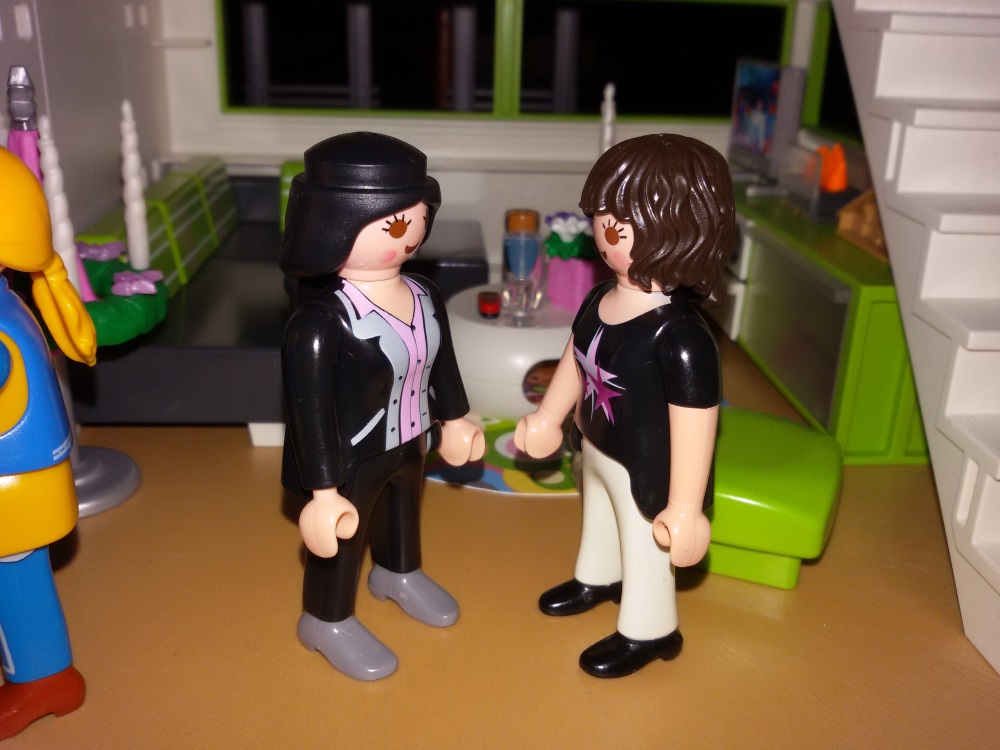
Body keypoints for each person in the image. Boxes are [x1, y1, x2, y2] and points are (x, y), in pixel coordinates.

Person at [515, 134, 734, 678]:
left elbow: (696, 423)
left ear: (680, 233)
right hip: (596, 443)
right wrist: (549, 416)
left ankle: (650, 628)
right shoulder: (600, 298)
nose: (605, 235)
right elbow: (577, 358)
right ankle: (598, 577)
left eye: (621, 226)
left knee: (644, 545)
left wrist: (686, 507)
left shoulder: (682, 337)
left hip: (648, 469)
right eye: (602, 219)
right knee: (598, 520)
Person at [280, 132, 485, 681]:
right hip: (351, 454)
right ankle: (325, 619)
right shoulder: (321, 322)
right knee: (342, 540)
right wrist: (323, 491)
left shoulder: (424, 294)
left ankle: (397, 573)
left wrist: (456, 417)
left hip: (411, 437)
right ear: (335, 225)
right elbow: (308, 413)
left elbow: (441, 362)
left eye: (418, 220)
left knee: (402, 511)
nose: (411, 235)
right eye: (394, 225)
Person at [0, 146, 97, 736]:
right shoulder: (10, 302)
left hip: (14, 486)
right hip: (20, 476)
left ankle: (42, 679)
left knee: (17, 581)